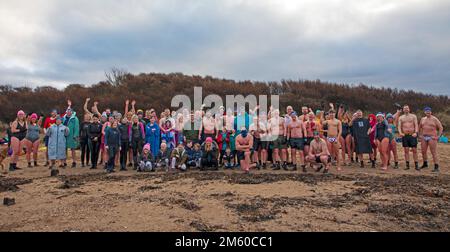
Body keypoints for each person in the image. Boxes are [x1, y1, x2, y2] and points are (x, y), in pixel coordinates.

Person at [419, 107, 444, 172]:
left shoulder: (434, 119)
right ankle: (425, 164)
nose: (428, 112)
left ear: (431, 112)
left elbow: (441, 127)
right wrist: (420, 135)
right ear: (424, 112)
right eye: (426, 111)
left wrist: (438, 136)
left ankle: (436, 166)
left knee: (433, 152)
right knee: (423, 151)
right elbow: (420, 127)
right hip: (424, 137)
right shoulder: (422, 119)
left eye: (429, 111)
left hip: (432, 137)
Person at [398, 105, 419, 170]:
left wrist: (416, 132)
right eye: (405, 108)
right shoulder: (401, 117)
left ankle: (416, 165)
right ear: (403, 110)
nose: (406, 109)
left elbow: (416, 125)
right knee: (406, 150)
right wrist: (400, 132)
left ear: (409, 109)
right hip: (405, 135)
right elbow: (399, 126)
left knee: (414, 150)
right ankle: (407, 165)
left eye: (407, 108)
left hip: (412, 135)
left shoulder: (413, 116)